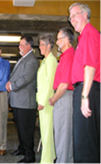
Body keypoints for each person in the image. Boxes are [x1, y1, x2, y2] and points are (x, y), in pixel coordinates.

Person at [68, 2, 100, 163]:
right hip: (86, 89)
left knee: (85, 144)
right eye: (70, 16)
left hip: (87, 89)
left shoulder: (89, 33)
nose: (71, 19)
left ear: (85, 14)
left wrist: (84, 96)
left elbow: (90, 66)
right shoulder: (84, 36)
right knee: (84, 142)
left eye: (75, 15)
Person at [6, 35, 39, 163]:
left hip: (26, 102)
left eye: (21, 45)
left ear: (28, 46)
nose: (19, 47)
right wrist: (9, 83)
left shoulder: (32, 60)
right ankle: (22, 149)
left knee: (26, 130)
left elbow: (26, 78)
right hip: (17, 101)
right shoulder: (23, 58)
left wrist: (12, 86)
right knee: (20, 128)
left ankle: (30, 156)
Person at [49, 27, 75, 163]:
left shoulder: (69, 56)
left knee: (62, 136)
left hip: (63, 98)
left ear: (65, 40)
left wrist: (53, 99)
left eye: (58, 39)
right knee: (64, 136)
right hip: (64, 98)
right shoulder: (66, 55)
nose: (57, 42)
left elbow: (64, 84)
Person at [36, 34, 57, 163]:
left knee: (47, 133)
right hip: (43, 101)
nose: (40, 47)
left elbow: (50, 82)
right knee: (45, 133)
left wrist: (42, 102)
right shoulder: (45, 60)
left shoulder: (51, 60)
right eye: (40, 44)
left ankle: (46, 161)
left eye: (42, 44)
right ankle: (51, 157)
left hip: (47, 102)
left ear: (49, 46)